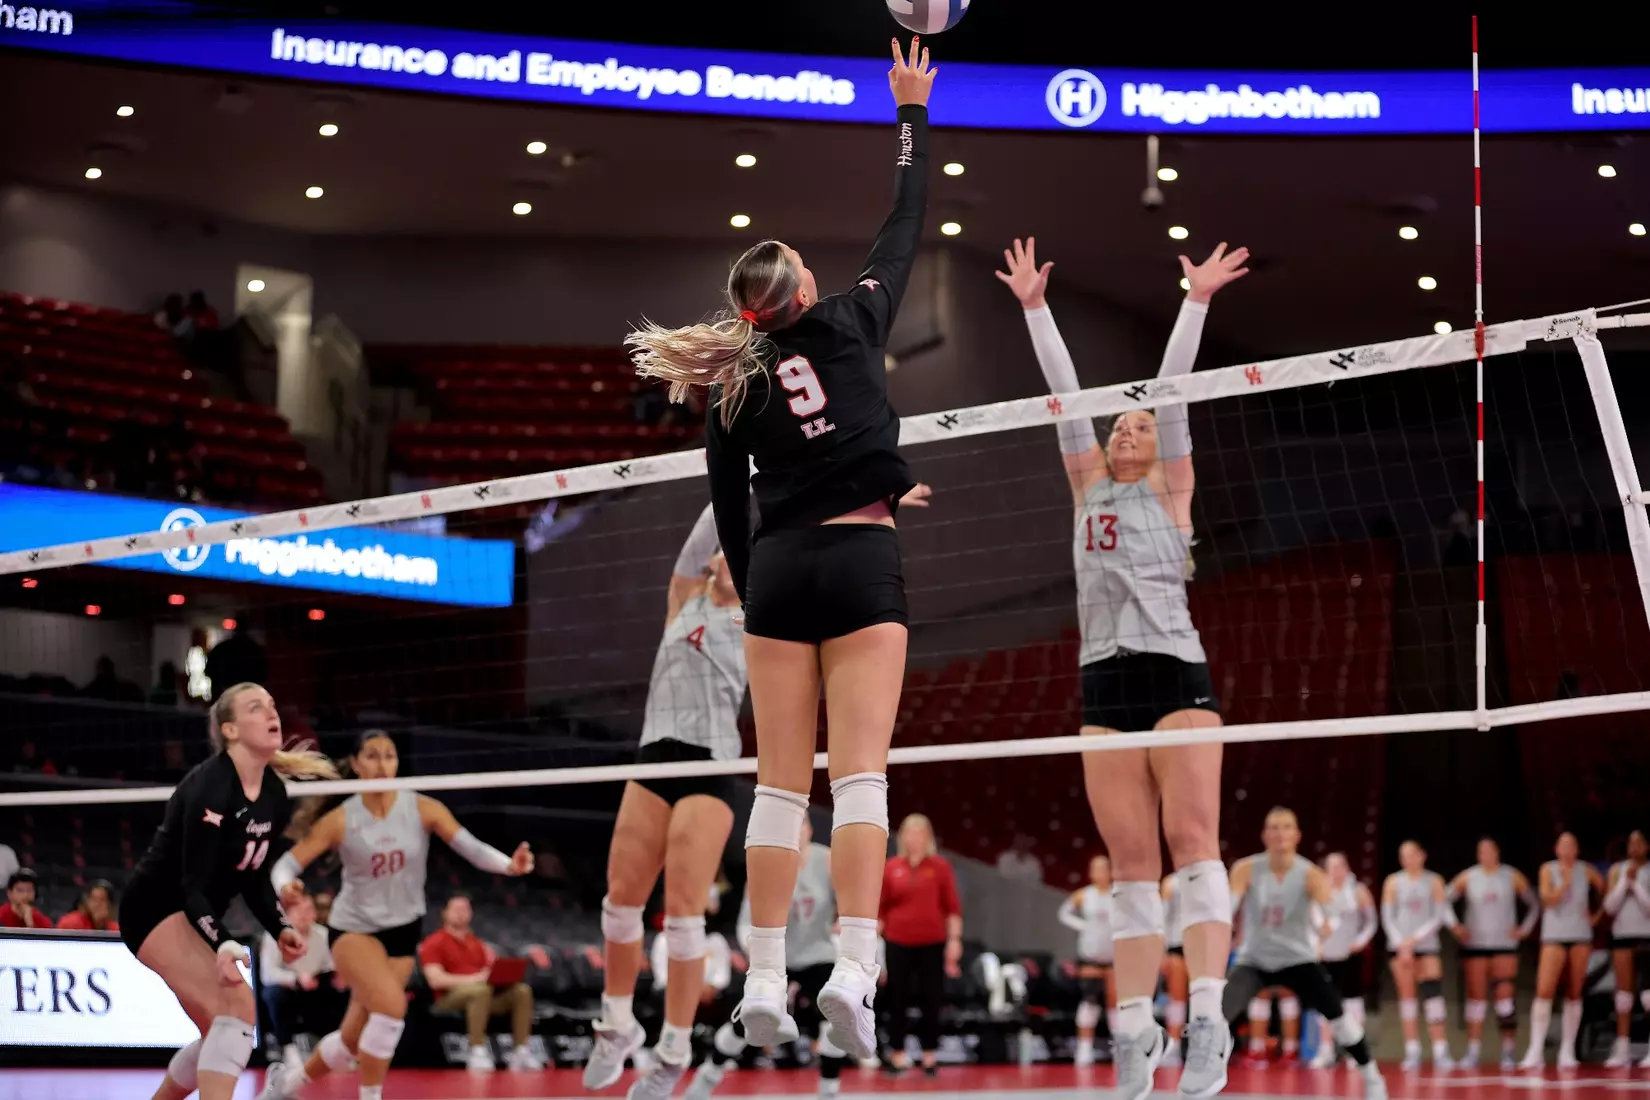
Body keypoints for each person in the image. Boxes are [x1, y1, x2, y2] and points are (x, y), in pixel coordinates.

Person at [625, 37, 936, 1064]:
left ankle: (762, 979)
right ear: (800, 286)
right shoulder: (853, 320)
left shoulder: (734, 387)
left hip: (781, 571)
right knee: (859, 780)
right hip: (858, 560)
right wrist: (908, 113)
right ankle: (851, 965)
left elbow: (726, 501)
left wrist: (757, 592)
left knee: (774, 786)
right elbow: (904, 221)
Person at [995, 234, 1249, 1100]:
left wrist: (1196, 300)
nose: (1128, 427)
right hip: (1102, 681)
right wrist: (1035, 308)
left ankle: (1208, 1017)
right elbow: (1065, 397)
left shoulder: (1170, 488)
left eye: (1139, 422)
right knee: (1132, 866)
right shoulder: (1087, 485)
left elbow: (1174, 392)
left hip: (1176, 672)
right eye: (1120, 424)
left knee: (1192, 847)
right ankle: (1136, 1031)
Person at [262, 731, 534, 1100]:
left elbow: (469, 846)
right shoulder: (342, 820)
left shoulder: (423, 808)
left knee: (350, 1041)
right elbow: (285, 866)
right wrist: (285, 886)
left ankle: (287, 1084)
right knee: (390, 1010)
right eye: (372, 756)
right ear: (356, 764)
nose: (382, 764)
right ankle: (371, 1096)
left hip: (403, 931)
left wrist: (509, 865)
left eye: (389, 756)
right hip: (355, 929)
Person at [582, 512, 748, 1100]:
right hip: (654, 757)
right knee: (619, 903)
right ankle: (619, 1024)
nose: (728, 555)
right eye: (727, 549)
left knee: (682, 911)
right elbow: (701, 537)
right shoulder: (682, 598)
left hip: (711, 764)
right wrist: (733, 470)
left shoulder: (759, 618)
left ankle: (674, 1048)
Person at [116, 683, 334, 1100]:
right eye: (257, 708)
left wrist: (280, 926)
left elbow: (253, 876)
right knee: (237, 1009)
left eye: (272, 705)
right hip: (155, 910)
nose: (272, 714)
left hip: (195, 913)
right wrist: (224, 941)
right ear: (230, 730)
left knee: (218, 1030)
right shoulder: (210, 788)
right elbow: (192, 886)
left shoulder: (274, 793)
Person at [1226, 809, 1386, 1098]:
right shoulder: (1246, 869)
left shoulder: (1310, 874)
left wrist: (1329, 925)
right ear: (1264, 835)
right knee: (1216, 1014)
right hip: (1254, 959)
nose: (1279, 833)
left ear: (1297, 835)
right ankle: (1200, 1080)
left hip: (1297, 959)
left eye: (1286, 827)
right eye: (1273, 827)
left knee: (1339, 1017)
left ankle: (1371, 1074)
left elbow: (1331, 912)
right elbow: (1229, 907)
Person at [689, 814, 844, 1100]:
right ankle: (709, 1075)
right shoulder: (765, 864)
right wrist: (759, 958)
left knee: (837, 1015)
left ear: (810, 830)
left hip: (817, 954)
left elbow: (849, 902)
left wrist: (848, 926)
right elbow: (745, 924)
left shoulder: (828, 860)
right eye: (790, 828)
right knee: (747, 1018)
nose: (797, 834)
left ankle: (829, 1089)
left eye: (802, 827)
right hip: (775, 955)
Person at [879, 813, 962, 1076]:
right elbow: (879, 909)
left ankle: (929, 1055)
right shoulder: (892, 867)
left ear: (928, 837)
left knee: (931, 999)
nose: (914, 838)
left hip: (932, 942)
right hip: (897, 941)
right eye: (909, 833)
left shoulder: (939, 866)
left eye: (919, 833)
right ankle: (898, 1053)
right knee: (897, 999)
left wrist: (954, 941)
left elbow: (952, 908)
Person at [1446, 837, 1538, 1069]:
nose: (1485, 854)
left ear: (1497, 852)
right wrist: (1455, 926)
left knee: (1505, 999)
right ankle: (1473, 1051)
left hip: (1505, 945)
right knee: (1476, 998)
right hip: (1476, 945)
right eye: (1481, 851)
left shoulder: (1511, 876)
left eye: (1489, 850)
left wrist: (1524, 929)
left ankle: (1508, 1051)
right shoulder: (1468, 877)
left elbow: (1535, 904)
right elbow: (1442, 901)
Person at [418, 895, 538, 1069]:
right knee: (480, 990)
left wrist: (497, 976)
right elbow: (435, 980)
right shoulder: (433, 942)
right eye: (456, 909)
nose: (461, 914)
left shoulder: (477, 943)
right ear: (445, 913)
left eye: (465, 909)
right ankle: (477, 1050)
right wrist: (475, 979)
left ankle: (521, 1051)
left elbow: (488, 971)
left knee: (521, 991)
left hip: (483, 996)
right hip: (447, 999)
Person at [1521, 831, 1604, 1070]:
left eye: (1572, 845)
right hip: (1554, 936)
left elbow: (1604, 889)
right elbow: (1548, 900)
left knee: (1575, 990)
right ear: (1556, 849)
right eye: (1563, 845)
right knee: (1544, 989)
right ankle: (1535, 1049)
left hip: (1580, 935)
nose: (1567, 849)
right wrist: (1564, 883)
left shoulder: (1586, 869)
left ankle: (1567, 1049)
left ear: (1577, 850)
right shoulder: (1548, 869)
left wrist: (1595, 915)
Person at [1381, 840, 1453, 1070]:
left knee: (1433, 998)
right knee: (1408, 998)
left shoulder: (1434, 880)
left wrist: (1416, 939)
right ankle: (1412, 1050)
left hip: (1426, 945)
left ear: (1422, 855)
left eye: (1412, 854)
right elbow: (1388, 915)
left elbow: (1438, 915)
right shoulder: (1393, 881)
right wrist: (1401, 943)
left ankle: (1441, 1050)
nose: (1407, 859)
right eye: (1403, 855)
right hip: (1401, 948)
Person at [1310, 852, 1378, 1069]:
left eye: (1340, 865)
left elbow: (1371, 921)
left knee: (1353, 1005)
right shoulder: (1320, 892)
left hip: (1349, 957)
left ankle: (1355, 1052)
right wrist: (1316, 943)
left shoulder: (1357, 891)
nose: (1336, 870)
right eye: (1332, 866)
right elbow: (1311, 921)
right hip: (1326, 957)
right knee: (1326, 1004)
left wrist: (1360, 941)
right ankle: (1326, 1050)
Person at [258, 891, 338, 1072]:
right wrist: (296, 979)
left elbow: (330, 964)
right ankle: (288, 1049)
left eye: (308, 909)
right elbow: (268, 974)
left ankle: (336, 1048)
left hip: (314, 986)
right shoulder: (275, 935)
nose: (304, 915)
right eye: (298, 911)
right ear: (287, 915)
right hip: (288, 987)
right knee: (275, 994)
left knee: (340, 991)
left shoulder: (323, 935)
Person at [1059, 854, 1117, 1067]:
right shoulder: (1084, 895)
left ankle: (1118, 1047)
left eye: (1103, 868)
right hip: (1090, 956)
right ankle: (1084, 1047)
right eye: (1095, 868)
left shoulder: (1117, 895)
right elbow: (1064, 913)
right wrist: (1083, 926)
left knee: (1114, 1003)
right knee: (1089, 1000)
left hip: (1113, 956)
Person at [1605, 830, 1650, 1068]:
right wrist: (1625, 882)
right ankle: (1622, 1048)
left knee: (1648, 996)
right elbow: (1610, 907)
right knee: (1623, 996)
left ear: (1647, 846)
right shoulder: (1616, 870)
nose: (1635, 847)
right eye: (1631, 842)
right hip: (1622, 936)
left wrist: (1637, 886)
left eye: (1639, 843)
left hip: (1646, 937)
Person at [1160, 874, 1188, 1067]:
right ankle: (1174, 1045)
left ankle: (1202, 1048)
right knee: (1177, 998)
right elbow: (1161, 919)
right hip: (1177, 945)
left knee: (1204, 999)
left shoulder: (1211, 878)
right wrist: (1161, 952)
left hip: (1203, 947)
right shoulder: (1171, 883)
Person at [206, 621, 269, 699]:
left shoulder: (222, 648)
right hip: (248, 692)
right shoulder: (256, 649)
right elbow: (263, 674)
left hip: (226, 691)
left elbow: (209, 671)